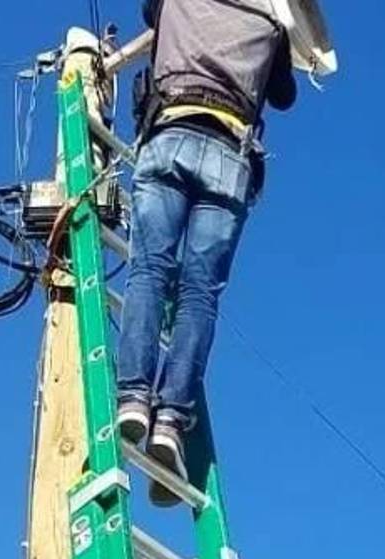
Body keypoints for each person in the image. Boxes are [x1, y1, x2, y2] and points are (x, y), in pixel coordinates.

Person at [117, 0, 298, 505]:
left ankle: (133, 397)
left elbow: (151, 14)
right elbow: (283, 96)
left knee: (150, 269)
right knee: (199, 295)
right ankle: (172, 419)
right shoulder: (269, 22)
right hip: (229, 155)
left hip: (170, 132)